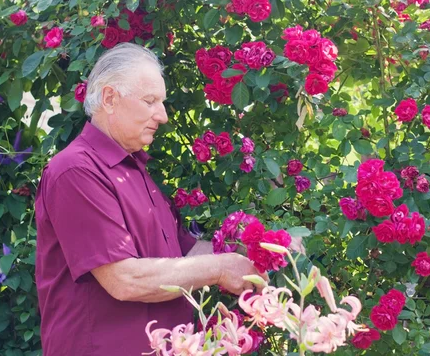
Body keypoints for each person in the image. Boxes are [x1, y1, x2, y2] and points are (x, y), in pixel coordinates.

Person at [34, 43, 267, 356]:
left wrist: (255, 250)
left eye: (162, 102)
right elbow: (124, 279)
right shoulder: (75, 170)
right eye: (150, 101)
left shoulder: (134, 169)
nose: (163, 115)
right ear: (109, 98)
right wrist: (223, 267)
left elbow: (184, 255)